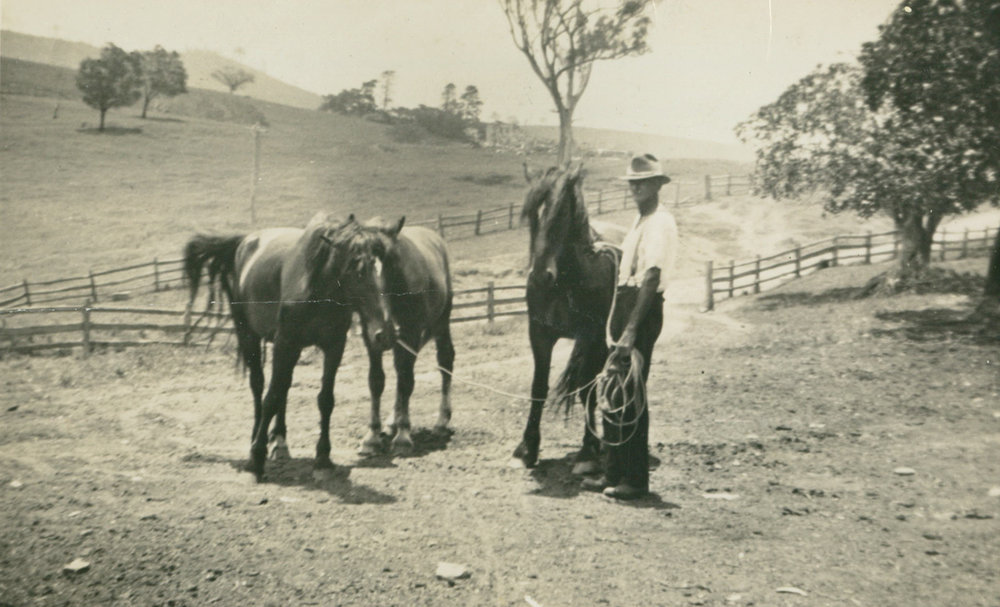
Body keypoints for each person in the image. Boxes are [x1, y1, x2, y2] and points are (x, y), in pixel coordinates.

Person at [582, 153, 678, 500]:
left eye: (643, 183)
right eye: (632, 183)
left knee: (631, 394)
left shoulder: (660, 222)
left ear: (657, 185)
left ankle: (635, 480)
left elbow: (651, 276)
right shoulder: (641, 220)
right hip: (625, 303)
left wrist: (631, 330)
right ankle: (612, 472)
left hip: (641, 307)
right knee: (613, 390)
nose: (636, 188)